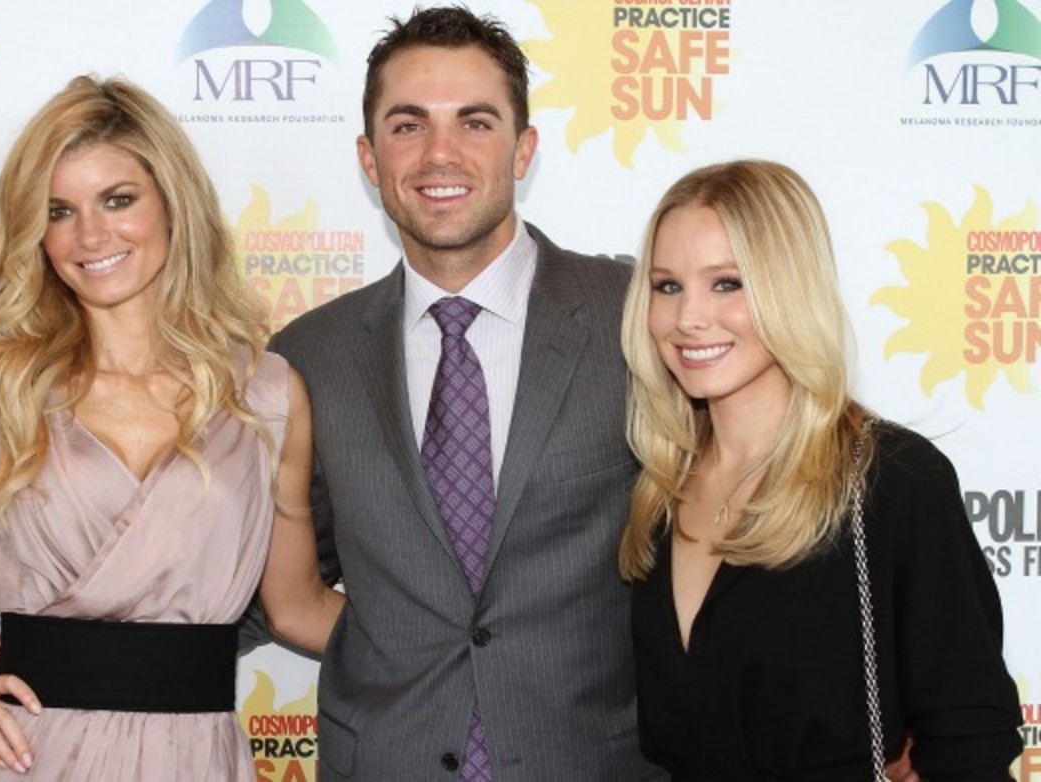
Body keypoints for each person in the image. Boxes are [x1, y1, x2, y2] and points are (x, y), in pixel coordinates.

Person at [0, 75, 342, 781]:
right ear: (35, 232)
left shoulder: (266, 396)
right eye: (59, 211)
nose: (91, 234)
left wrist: (468, 648)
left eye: (118, 200)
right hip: (21, 756)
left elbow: (297, 607)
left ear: (172, 205)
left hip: (193, 760)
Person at [262, 7, 666, 781]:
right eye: (407, 125)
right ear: (369, 157)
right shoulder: (307, 358)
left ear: (524, 149)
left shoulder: (636, 320)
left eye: (474, 122)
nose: (438, 153)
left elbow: (746, 519)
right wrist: (79, 653)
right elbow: (265, 572)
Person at [620, 159, 1022, 779]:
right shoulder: (657, 491)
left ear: (790, 287)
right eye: (667, 285)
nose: (688, 318)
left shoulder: (892, 482)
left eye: (727, 283)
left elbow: (969, 737)